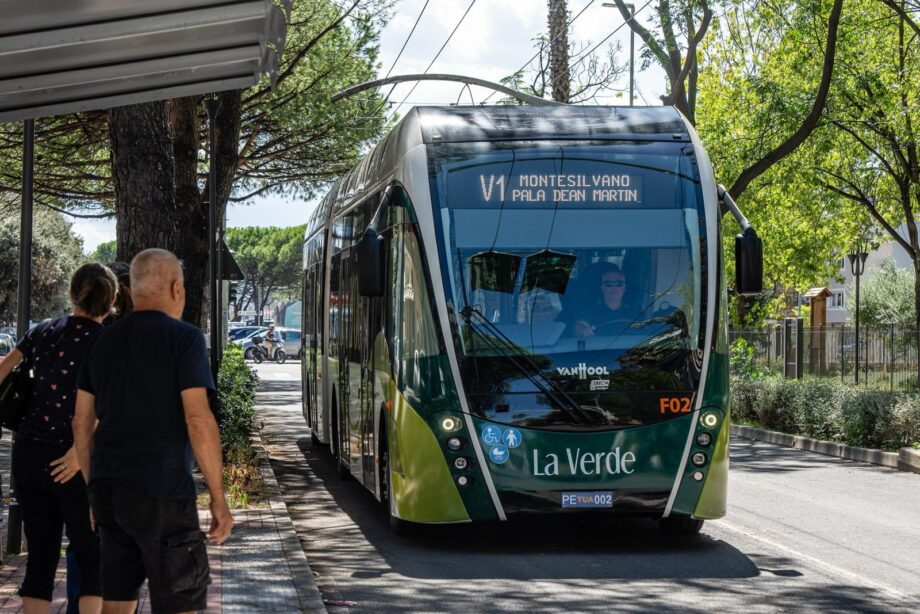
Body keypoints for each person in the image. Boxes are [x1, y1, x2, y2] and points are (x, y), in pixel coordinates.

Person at [73, 248, 233, 614]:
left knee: (116, 600)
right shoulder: (186, 339)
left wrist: (92, 489)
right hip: (164, 491)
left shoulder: (101, 341)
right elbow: (198, 420)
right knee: (179, 603)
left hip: (109, 490)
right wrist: (218, 498)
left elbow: (81, 423)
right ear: (177, 288)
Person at [0, 263, 117, 614]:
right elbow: (109, 405)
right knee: (92, 554)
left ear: (72, 294)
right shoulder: (109, 343)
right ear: (111, 302)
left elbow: (4, 368)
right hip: (75, 458)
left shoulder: (43, 331)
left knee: (40, 557)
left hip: (29, 455)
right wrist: (79, 453)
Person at [571, 263, 634, 337]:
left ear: (624, 288)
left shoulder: (635, 312)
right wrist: (584, 330)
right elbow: (579, 326)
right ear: (602, 288)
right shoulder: (590, 310)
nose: (613, 287)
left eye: (618, 283)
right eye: (608, 284)